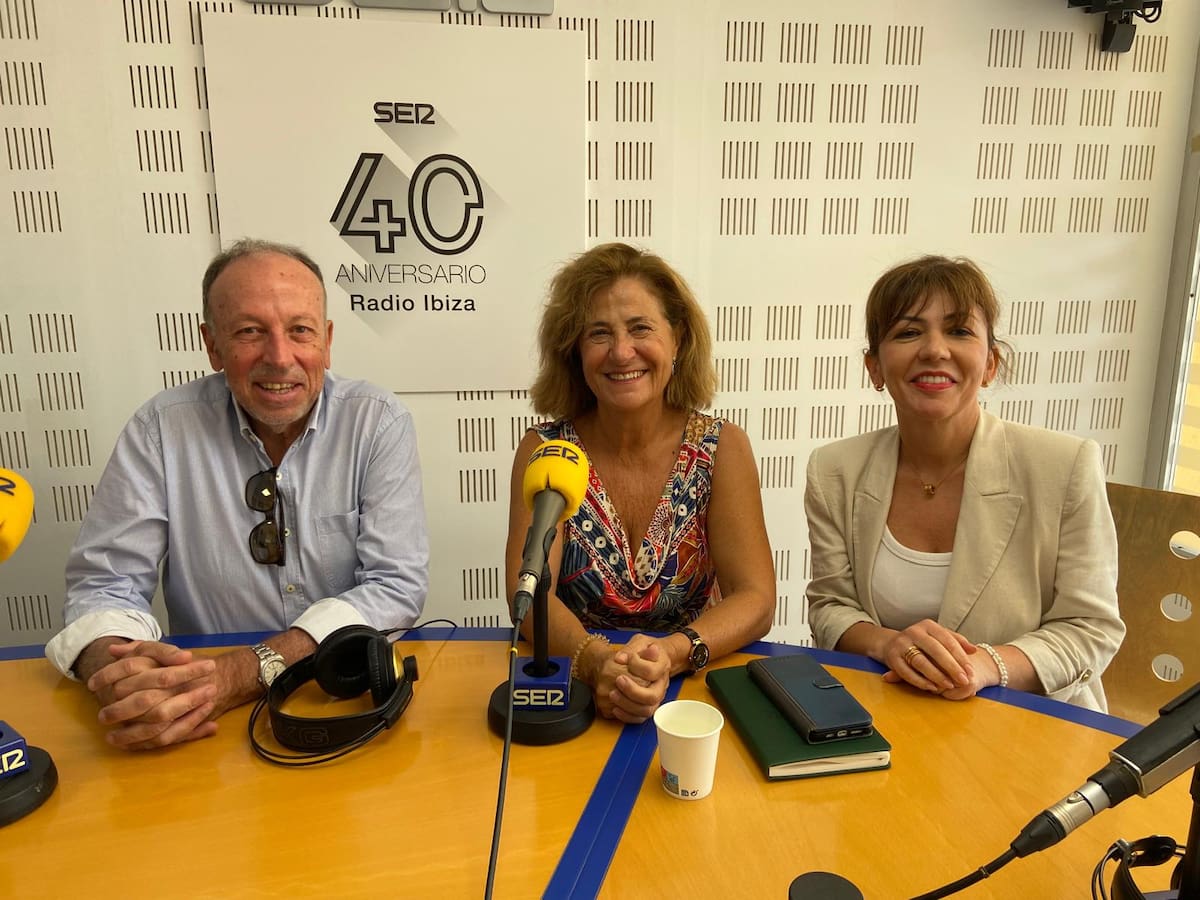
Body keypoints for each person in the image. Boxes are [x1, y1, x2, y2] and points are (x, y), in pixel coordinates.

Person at [45, 239, 429, 749]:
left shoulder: (377, 421)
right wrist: (121, 675)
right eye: (250, 331)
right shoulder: (160, 428)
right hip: (197, 712)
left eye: (300, 330)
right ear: (212, 345)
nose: (280, 357)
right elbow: (104, 584)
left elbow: (395, 587)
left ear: (327, 340)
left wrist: (245, 671)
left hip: (334, 697)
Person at [805, 255, 1124, 711]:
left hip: (1031, 723)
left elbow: (1090, 627)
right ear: (874, 367)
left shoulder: (1065, 465)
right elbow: (830, 606)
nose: (935, 350)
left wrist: (985, 667)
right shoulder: (834, 470)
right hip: (888, 713)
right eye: (908, 332)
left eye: (958, 331)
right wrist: (888, 644)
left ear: (991, 363)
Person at [506, 242, 775, 724]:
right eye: (599, 333)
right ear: (574, 351)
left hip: (693, 696)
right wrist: (594, 661)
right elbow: (526, 592)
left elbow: (755, 598)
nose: (621, 352)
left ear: (678, 339)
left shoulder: (722, 447)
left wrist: (671, 655)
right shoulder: (545, 450)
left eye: (640, 328)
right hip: (576, 695)